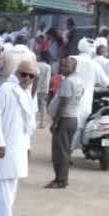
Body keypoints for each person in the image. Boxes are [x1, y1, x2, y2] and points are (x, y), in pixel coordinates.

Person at [0, 60, 38, 216]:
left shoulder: (26, 93)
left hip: (19, 146)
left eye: (31, 76)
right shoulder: (6, 89)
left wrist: (28, 146)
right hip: (5, 146)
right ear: (17, 73)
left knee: (10, 184)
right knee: (5, 185)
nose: (27, 79)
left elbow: (27, 124)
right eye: (24, 74)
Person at [45, 57, 83, 188]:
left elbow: (63, 102)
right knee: (65, 150)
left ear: (73, 67)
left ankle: (60, 180)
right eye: (62, 65)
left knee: (59, 152)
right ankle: (61, 179)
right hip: (72, 118)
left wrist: (55, 121)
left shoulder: (68, 81)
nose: (63, 68)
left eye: (66, 66)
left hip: (65, 119)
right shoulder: (79, 80)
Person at [72, 38, 109, 150]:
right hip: (85, 101)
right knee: (80, 126)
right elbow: (106, 82)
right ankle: (70, 151)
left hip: (69, 97)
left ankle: (65, 151)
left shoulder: (71, 59)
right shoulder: (94, 64)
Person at [36, 52, 52, 129]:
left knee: (33, 105)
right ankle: (42, 123)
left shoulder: (36, 64)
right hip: (43, 88)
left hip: (34, 87)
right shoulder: (48, 67)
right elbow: (47, 79)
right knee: (43, 106)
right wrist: (47, 90)